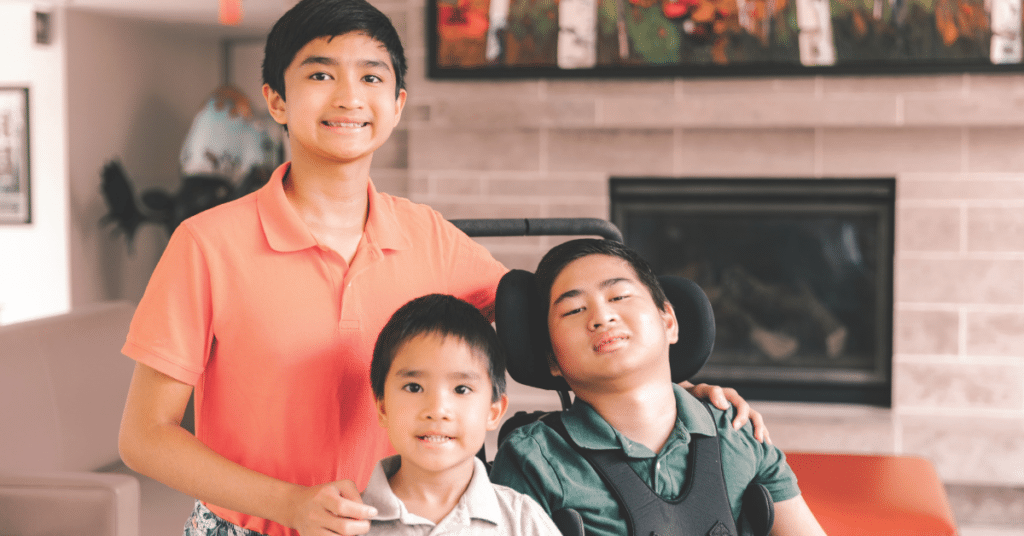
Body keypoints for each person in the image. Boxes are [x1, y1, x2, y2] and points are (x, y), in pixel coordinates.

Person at [117, 1, 766, 535]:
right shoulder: (206, 244)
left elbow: (562, 331)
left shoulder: (430, 237)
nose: (349, 95)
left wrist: (671, 397)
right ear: (277, 100)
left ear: (396, 104)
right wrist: (287, 503)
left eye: (371, 77)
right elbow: (145, 437)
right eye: (319, 74)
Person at [490, 239, 828, 536]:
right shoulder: (533, 460)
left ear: (669, 321)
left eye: (619, 296)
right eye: (575, 309)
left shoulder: (736, 430)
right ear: (552, 359)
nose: (601, 316)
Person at [364, 293, 560, 534]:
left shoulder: (522, 520)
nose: (437, 410)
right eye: (414, 387)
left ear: (493, 411)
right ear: (383, 407)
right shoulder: (343, 522)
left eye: (461, 389)